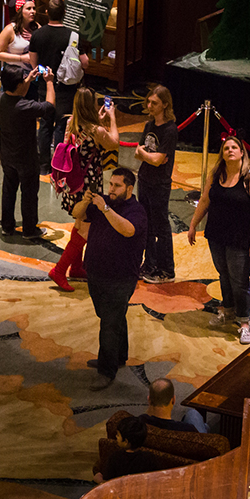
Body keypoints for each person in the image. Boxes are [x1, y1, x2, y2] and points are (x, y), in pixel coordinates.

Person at [187, 134, 250, 345]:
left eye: (234, 147)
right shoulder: (216, 174)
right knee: (224, 274)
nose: (230, 150)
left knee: (240, 281)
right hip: (217, 235)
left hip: (241, 239)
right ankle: (229, 311)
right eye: (226, 148)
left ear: (242, 152)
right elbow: (205, 199)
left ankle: (244, 323)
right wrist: (193, 224)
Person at [79, 167, 147, 390]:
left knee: (109, 323)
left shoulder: (136, 210)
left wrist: (106, 208)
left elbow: (127, 230)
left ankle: (106, 371)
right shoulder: (102, 203)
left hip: (120, 277)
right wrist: (85, 200)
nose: (111, 189)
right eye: (110, 184)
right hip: (96, 271)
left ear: (129, 188)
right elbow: (77, 214)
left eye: (117, 186)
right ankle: (120, 355)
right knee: (112, 316)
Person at [48, 87, 119, 290]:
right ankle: (59, 270)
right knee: (85, 229)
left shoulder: (71, 123)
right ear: (92, 105)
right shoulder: (96, 131)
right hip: (89, 186)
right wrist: (112, 117)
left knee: (80, 223)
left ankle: (76, 267)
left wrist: (97, 118)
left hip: (73, 184)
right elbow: (113, 143)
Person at [28, 0, 89, 175]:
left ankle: (43, 166)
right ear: (64, 13)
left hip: (44, 86)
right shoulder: (73, 36)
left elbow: (33, 62)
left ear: (46, 13)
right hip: (66, 88)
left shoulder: (37, 34)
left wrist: (46, 75)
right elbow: (84, 63)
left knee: (45, 125)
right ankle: (59, 165)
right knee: (62, 126)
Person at [0, 64, 56, 239]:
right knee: (29, 194)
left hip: (7, 155)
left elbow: (18, 91)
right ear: (17, 84)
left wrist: (27, 79)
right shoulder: (24, 106)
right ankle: (29, 230)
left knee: (9, 190)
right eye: (23, 80)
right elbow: (49, 107)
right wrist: (50, 82)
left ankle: (7, 226)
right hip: (26, 158)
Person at [135, 85, 179, 284]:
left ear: (165, 105)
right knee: (147, 225)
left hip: (159, 184)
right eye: (149, 102)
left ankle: (166, 269)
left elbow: (157, 159)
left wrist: (147, 155)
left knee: (161, 226)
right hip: (144, 180)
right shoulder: (149, 125)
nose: (150, 106)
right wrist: (148, 156)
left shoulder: (170, 130)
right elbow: (139, 152)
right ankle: (149, 264)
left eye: (155, 103)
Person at [0, 0, 39, 91]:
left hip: (32, 76)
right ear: (20, 10)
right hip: (13, 75)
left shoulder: (37, 27)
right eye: (28, 8)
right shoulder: (10, 30)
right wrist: (22, 58)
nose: (32, 11)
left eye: (34, 8)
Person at [93, 415, 150, 483]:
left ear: (125, 442)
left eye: (118, 435)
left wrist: (99, 479)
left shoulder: (115, 458)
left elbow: (107, 483)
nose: (116, 436)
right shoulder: (149, 458)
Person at [140, 377, 208, 434]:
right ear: (173, 400)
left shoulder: (139, 424)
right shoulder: (187, 430)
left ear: (149, 399)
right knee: (193, 413)